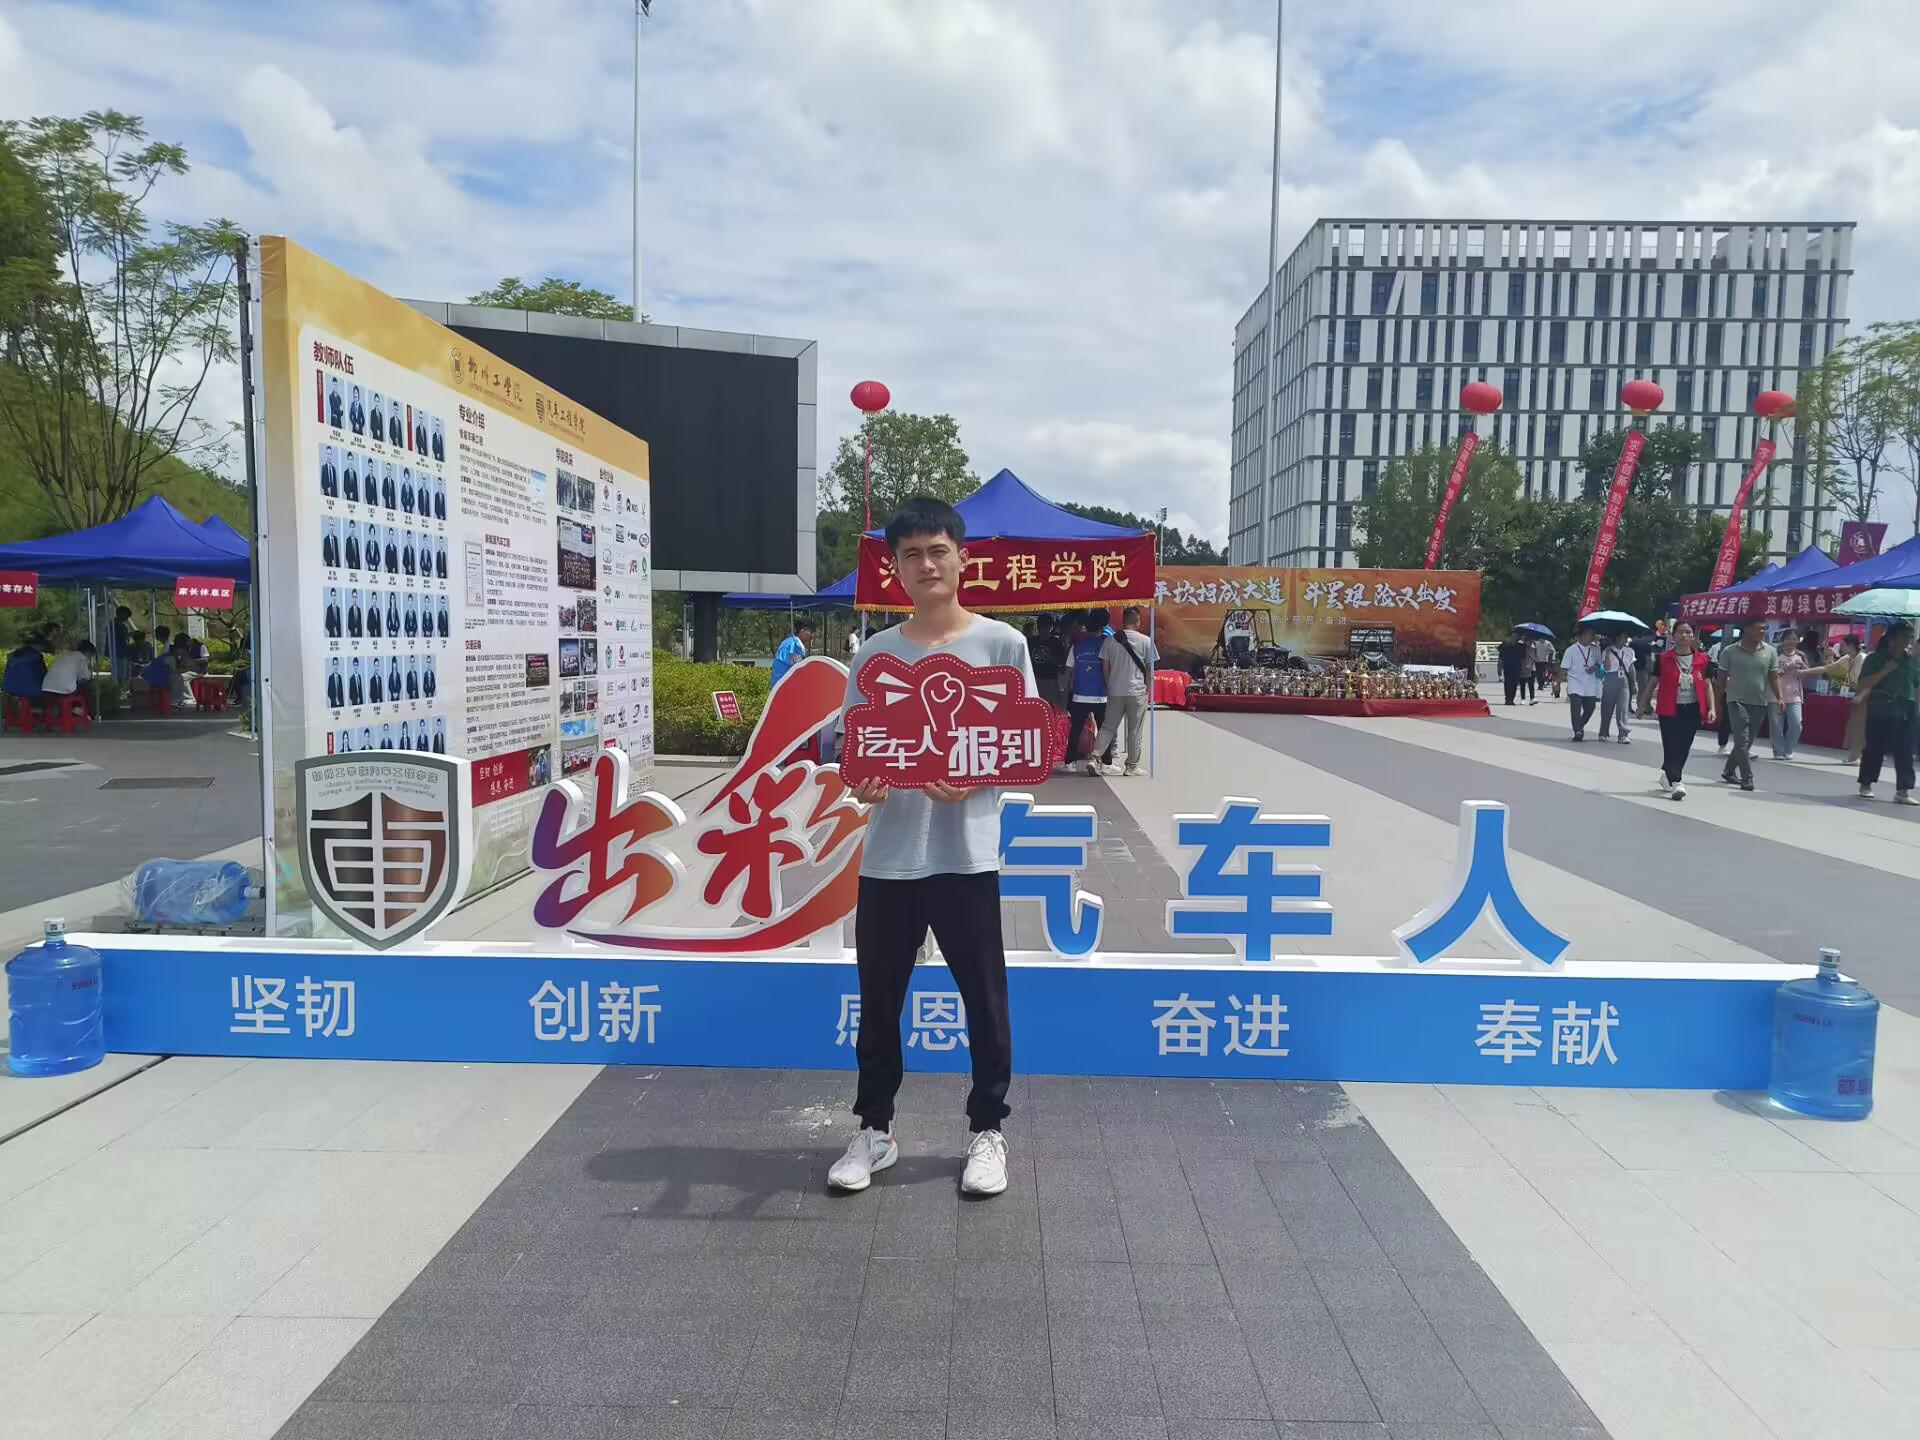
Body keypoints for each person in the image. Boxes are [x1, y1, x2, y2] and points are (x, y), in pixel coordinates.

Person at [830, 496, 1028, 1199]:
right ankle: (875, 1129)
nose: (927, 564)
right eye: (911, 554)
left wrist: (974, 779)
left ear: (962, 558)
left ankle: (988, 1131)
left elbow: (1021, 745)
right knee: (879, 999)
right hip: (891, 857)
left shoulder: (1003, 646)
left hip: (966, 854)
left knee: (984, 999)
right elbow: (854, 751)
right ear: (895, 567)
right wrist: (863, 784)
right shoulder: (875, 654)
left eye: (938, 550)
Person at [1642, 620, 1715, 800]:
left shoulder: (1703, 659)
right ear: (1673, 636)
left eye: (1688, 632)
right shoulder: (1663, 658)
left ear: (1693, 636)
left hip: (1693, 708)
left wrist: (1712, 708)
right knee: (1671, 744)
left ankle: (1668, 775)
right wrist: (1643, 703)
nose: (1684, 635)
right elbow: (1653, 682)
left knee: (1684, 745)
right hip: (1669, 708)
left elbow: (1707, 685)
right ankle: (1677, 781)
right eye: (1680, 632)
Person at [1854, 621, 1918, 804]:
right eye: (1904, 637)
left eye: (1910, 637)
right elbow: (1863, 683)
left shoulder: (1911, 661)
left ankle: (1903, 791)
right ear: (1892, 637)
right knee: (1875, 747)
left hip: (1905, 710)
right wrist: (1885, 670)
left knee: (1905, 751)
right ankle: (1866, 784)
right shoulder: (1875, 659)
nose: (1907, 641)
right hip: (1880, 708)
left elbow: (1917, 685)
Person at [1093, 606, 1157, 776]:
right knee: (1135, 730)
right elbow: (1150, 670)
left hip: (1115, 690)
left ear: (1123, 621)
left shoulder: (1110, 640)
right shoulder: (1146, 641)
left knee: (1108, 727)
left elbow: (1105, 666)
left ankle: (1095, 757)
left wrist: (1109, 684)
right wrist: (1148, 690)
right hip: (1137, 691)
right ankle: (1131, 766)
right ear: (1138, 622)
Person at [1719, 621, 1780, 793]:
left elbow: (1774, 676)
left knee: (1746, 742)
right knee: (1742, 740)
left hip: (1759, 702)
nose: (1762, 632)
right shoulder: (1729, 651)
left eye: (1764, 629)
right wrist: (1716, 703)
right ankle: (1747, 778)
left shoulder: (1770, 651)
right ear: (1746, 629)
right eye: (1758, 628)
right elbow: (1721, 678)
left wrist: (1780, 698)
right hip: (1735, 700)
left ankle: (1728, 770)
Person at [1066, 608, 1115, 773]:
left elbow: (1070, 669)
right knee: (1105, 730)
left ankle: (1070, 762)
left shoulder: (1077, 646)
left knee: (1075, 729)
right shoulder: (1106, 645)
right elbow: (1110, 669)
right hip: (1101, 695)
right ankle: (1106, 763)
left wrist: (1070, 687)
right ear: (1103, 626)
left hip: (1079, 694)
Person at [1770, 632, 1810, 761]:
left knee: (1796, 724)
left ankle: (1788, 749)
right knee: (1776, 725)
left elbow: (1807, 673)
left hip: (1794, 695)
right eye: (1788, 639)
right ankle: (1778, 751)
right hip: (1776, 694)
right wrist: (1781, 670)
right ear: (1783, 641)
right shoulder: (1775, 655)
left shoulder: (1800, 656)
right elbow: (1771, 674)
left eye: (1794, 639)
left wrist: (1802, 667)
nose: (1790, 642)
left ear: (1798, 641)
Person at [1561, 625, 1603, 741]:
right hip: (1575, 682)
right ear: (1582, 635)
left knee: (1590, 707)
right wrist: (1558, 683)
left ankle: (1580, 725)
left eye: (1594, 634)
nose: (1593, 637)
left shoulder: (1596, 649)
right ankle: (1578, 731)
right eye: (1591, 634)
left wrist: (1594, 668)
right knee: (1576, 707)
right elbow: (1564, 668)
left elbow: (1598, 663)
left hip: (1589, 683)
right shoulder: (1571, 650)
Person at [41, 640, 98, 716]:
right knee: (91, 685)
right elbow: (86, 677)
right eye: (90, 656)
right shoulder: (82, 658)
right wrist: (89, 668)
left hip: (46, 689)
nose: (90, 658)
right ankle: (83, 711)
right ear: (88, 652)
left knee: (77, 684)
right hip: (64, 691)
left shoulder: (66, 656)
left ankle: (72, 710)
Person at [1597, 631, 1635, 742]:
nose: (1625, 639)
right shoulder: (1607, 651)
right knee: (1607, 707)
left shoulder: (1629, 651)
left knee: (1623, 708)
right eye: (1623, 637)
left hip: (1624, 681)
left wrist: (1634, 682)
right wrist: (1608, 652)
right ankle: (1604, 732)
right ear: (1617, 637)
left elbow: (1631, 668)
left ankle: (1623, 734)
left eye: (1626, 637)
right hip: (1610, 678)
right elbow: (1607, 668)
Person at [1027, 614, 1066, 710]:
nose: (1043, 629)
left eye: (1045, 626)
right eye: (1041, 626)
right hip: (1033, 679)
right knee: (1034, 707)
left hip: (1050, 680)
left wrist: (1049, 657)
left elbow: (1061, 662)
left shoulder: (1056, 642)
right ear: (1038, 626)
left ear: (1050, 627)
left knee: (1051, 708)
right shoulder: (1030, 641)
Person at [770, 620, 813, 686]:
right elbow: (797, 669)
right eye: (810, 632)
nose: (811, 635)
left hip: (780, 684)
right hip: (783, 684)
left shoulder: (790, 642)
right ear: (802, 630)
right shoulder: (794, 646)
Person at [1497, 631, 1531, 706]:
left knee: (1514, 684)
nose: (1514, 637)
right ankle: (1508, 699)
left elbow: (1523, 656)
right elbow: (1500, 651)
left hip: (1517, 667)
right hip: (1507, 666)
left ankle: (1511, 699)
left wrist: (1526, 642)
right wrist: (1500, 667)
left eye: (1515, 636)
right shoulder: (1505, 644)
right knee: (1508, 683)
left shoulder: (1520, 646)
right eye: (1513, 636)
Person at [110, 605, 134, 686]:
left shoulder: (123, 626)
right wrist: (130, 635)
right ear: (120, 614)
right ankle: (118, 688)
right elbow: (118, 637)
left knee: (125, 674)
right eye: (126, 615)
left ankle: (122, 688)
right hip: (117, 653)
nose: (127, 618)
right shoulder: (113, 625)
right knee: (119, 675)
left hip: (124, 653)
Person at [1529, 633, 1554, 704]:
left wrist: (1550, 656)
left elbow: (1552, 650)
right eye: (1540, 638)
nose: (1541, 639)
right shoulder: (1536, 643)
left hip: (1544, 660)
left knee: (1543, 673)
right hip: (1537, 660)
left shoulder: (1548, 643)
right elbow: (1533, 649)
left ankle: (1541, 684)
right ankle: (1540, 684)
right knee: (1538, 673)